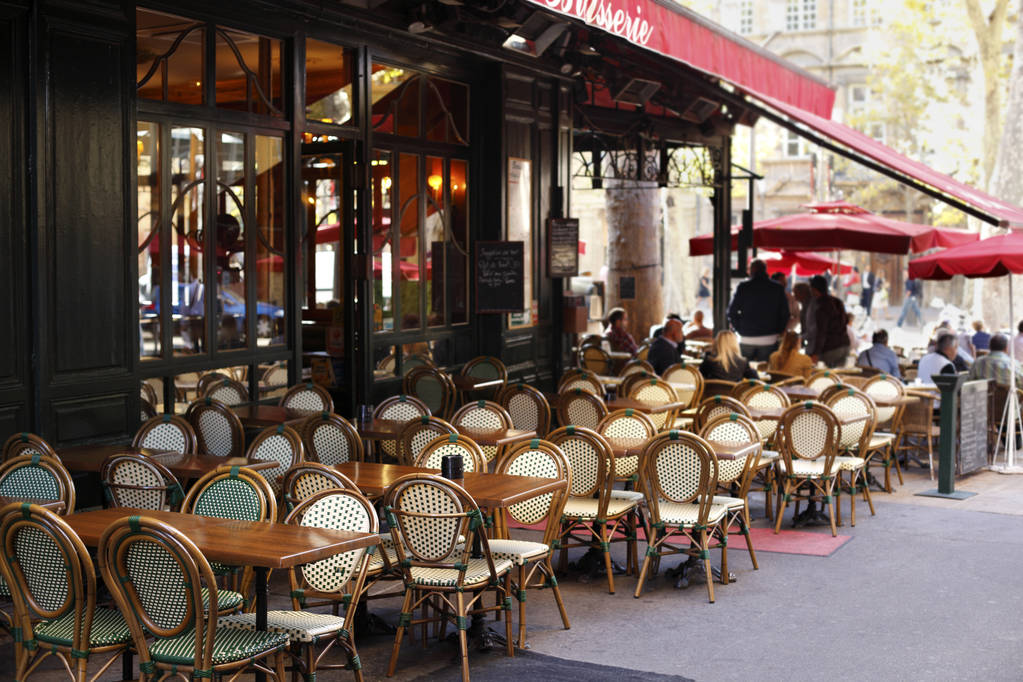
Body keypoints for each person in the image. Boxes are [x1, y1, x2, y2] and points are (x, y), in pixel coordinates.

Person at [726, 259, 790, 362]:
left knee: (744, 368)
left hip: (746, 337)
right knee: (765, 369)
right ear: (765, 270)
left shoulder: (743, 287)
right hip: (769, 338)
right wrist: (778, 330)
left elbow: (731, 312)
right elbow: (785, 313)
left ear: (752, 270)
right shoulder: (777, 288)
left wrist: (739, 329)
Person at [805, 274, 849, 368]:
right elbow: (846, 320)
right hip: (845, 344)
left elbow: (821, 332)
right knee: (838, 375)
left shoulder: (821, 307)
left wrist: (815, 353)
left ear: (814, 289)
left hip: (831, 348)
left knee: (826, 375)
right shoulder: (837, 301)